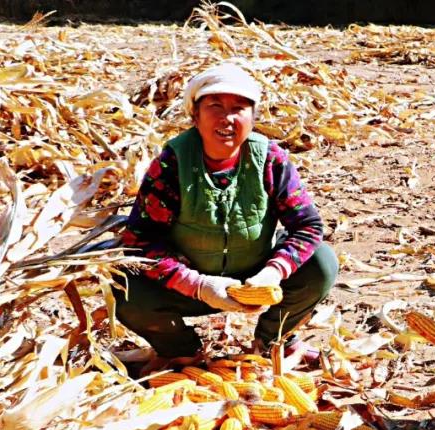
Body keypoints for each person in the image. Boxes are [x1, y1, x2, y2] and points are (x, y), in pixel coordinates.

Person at [116, 63, 338, 368]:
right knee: (122, 286)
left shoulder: (270, 159)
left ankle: (275, 340)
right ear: (195, 114)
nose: (227, 118)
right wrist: (197, 284)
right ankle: (179, 349)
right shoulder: (172, 164)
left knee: (321, 264)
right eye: (215, 106)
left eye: (239, 108)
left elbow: (308, 226)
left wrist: (273, 272)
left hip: (255, 274)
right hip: (190, 284)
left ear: (252, 116)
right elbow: (139, 241)